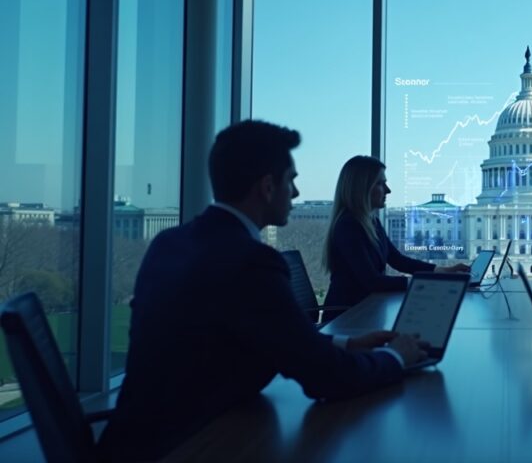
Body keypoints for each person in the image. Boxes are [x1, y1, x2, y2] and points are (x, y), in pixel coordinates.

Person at [99, 121, 426, 462]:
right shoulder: (251, 261)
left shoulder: (168, 244)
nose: (295, 193)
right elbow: (326, 378)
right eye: (291, 180)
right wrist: (396, 357)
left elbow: (254, 337)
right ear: (268, 187)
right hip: (192, 445)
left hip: (133, 443)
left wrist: (346, 343)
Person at [323, 156, 468, 315]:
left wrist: (441, 271)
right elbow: (372, 281)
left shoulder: (371, 222)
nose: (388, 190)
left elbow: (398, 260)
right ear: (361, 189)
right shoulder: (348, 226)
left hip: (367, 310)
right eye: (380, 183)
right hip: (346, 317)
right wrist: (423, 283)